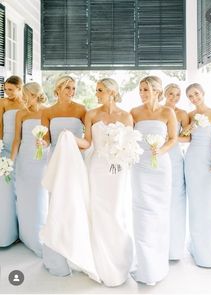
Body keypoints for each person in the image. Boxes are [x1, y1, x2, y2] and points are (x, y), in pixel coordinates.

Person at [76, 78, 134, 287]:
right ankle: (99, 264)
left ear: (111, 91)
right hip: (97, 167)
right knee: (99, 211)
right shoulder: (91, 114)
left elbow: (130, 145)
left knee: (116, 211)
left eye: (99, 90)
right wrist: (71, 139)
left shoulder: (126, 116)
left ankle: (118, 261)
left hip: (118, 170)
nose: (96, 93)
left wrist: (122, 160)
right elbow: (87, 143)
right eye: (96, 90)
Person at [130, 76, 177, 285]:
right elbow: (129, 138)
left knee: (159, 213)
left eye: (146, 89)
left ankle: (158, 263)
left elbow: (173, 138)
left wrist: (161, 151)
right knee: (142, 213)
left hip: (161, 168)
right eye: (141, 89)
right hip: (140, 167)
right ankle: (144, 265)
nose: (142, 93)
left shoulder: (168, 112)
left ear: (157, 91)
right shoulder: (134, 112)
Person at [39, 75, 86, 276]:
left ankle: (76, 250)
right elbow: (47, 140)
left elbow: (88, 140)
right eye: (67, 88)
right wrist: (41, 143)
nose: (71, 92)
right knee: (56, 203)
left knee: (74, 203)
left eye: (73, 88)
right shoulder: (48, 112)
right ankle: (57, 251)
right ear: (57, 90)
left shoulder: (81, 109)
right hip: (56, 161)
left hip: (75, 162)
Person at [184, 83, 211, 267]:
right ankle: (197, 248)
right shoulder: (190, 115)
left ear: (203, 93)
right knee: (196, 203)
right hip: (191, 160)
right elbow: (184, 136)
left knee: (209, 203)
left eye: (196, 94)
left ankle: (210, 250)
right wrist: (190, 127)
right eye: (190, 96)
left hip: (207, 159)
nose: (194, 98)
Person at [10, 82, 49, 257]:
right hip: (24, 159)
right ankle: (26, 236)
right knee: (24, 197)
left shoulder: (47, 112)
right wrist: (11, 161)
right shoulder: (21, 114)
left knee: (39, 196)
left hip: (41, 159)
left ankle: (40, 236)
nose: (24, 99)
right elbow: (17, 140)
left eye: (27, 96)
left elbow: (49, 139)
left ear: (35, 95)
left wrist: (43, 143)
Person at [164, 83, 189, 260]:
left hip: (175, 158)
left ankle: (175, 249)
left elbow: (187, 138)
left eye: (178, 95)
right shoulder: (158, 111)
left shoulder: (182, 114)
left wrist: (172, 138)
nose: (174, 97)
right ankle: (160, 245)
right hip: (158, 156)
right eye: (171, 94)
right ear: (165, 94)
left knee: (176, 200)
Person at [0, 75, 24, 247]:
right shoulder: (3, 103)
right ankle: (8, 232)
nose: (7, 92)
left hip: (24, 149)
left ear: (20, 89)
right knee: (6, 190)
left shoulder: (26, 104)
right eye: (5, 89)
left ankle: (24, 231)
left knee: (22, 190)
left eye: (10, 89)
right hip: (6, 149)